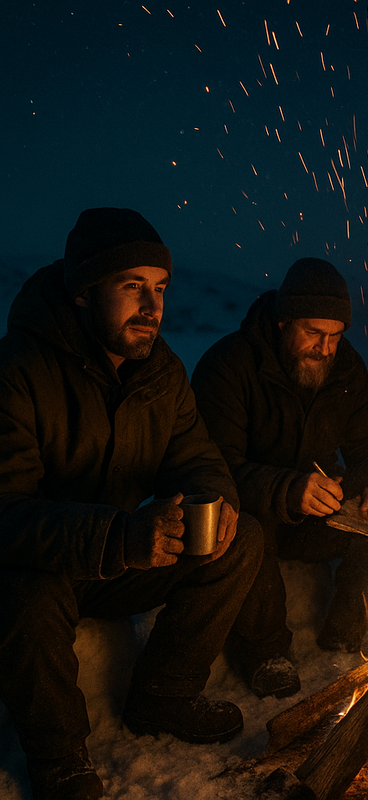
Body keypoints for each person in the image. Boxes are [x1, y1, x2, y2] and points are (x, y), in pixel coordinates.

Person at [0, 208, 263, 800]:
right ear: (83, 292)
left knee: (240, 538)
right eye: (132, 286)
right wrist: (118, 536)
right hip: (41, 565)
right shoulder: (17, 370)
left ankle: (164, 697)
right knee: (26, 592)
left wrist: (215, 503)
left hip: (117, 557)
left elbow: (197, 458)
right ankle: (59, 758)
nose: (152, 306)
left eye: (161, 288)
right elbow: (6, 513)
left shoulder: (160, 372)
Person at [191, 257, 368, 699]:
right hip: (254, 515)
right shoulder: (229, 366)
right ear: (284, 321)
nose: (325, 348)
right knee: (245, 521)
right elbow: (212, 469)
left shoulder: (345, 366)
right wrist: (288, 489)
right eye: (313, 333)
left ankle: (347, 622)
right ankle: (266, 652)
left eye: (335, 336)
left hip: (315, 511)